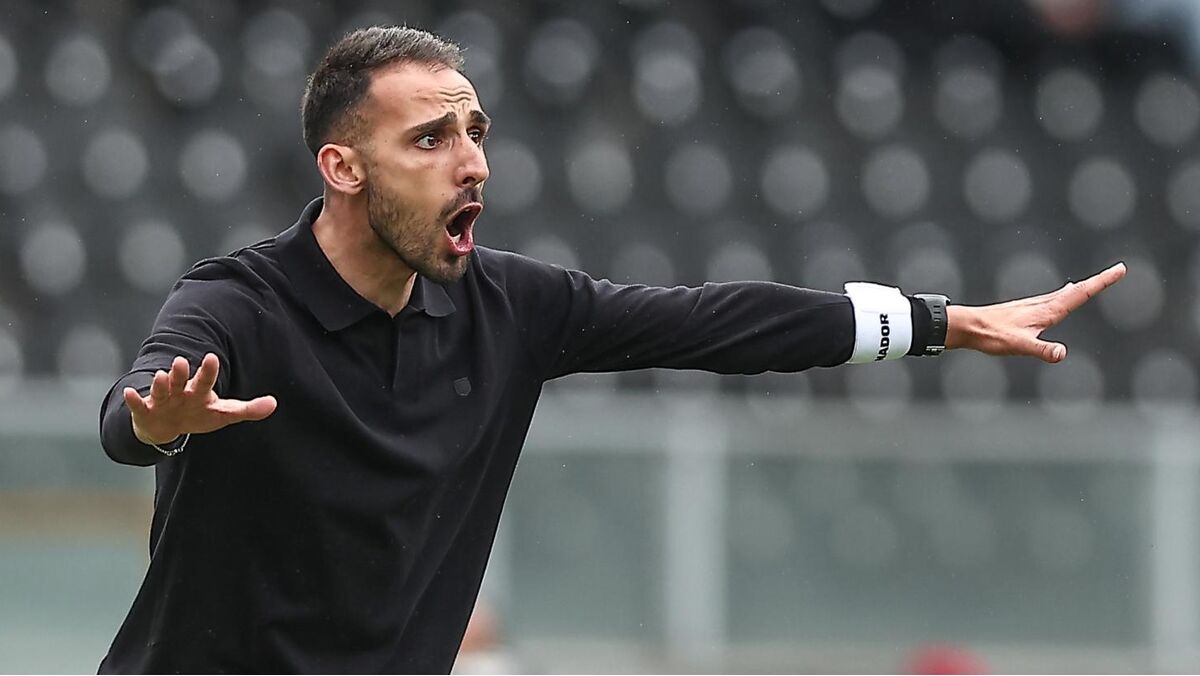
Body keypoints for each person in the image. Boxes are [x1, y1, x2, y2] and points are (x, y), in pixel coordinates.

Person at [96, 25, 1126, 674]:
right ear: (343, 168)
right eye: (430, 139)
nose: (472, 162)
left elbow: (719, 324)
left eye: (477, 132)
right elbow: (132, 410)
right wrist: (159, 422)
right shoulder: (237, 304)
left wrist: (939, 322)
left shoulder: (513, 307)